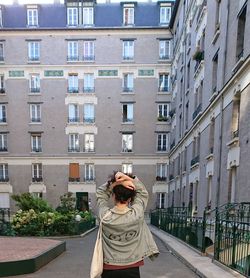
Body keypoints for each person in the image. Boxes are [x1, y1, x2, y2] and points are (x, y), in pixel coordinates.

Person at [96, 171, 159, 278]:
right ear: (130, 198)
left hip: (109, 266)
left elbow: (101, 193)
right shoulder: (137, 214)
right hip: (132, 265)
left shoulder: (104, 216)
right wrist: (129, 179)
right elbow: (143, 193)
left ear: (113, 196)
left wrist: (115, 183)